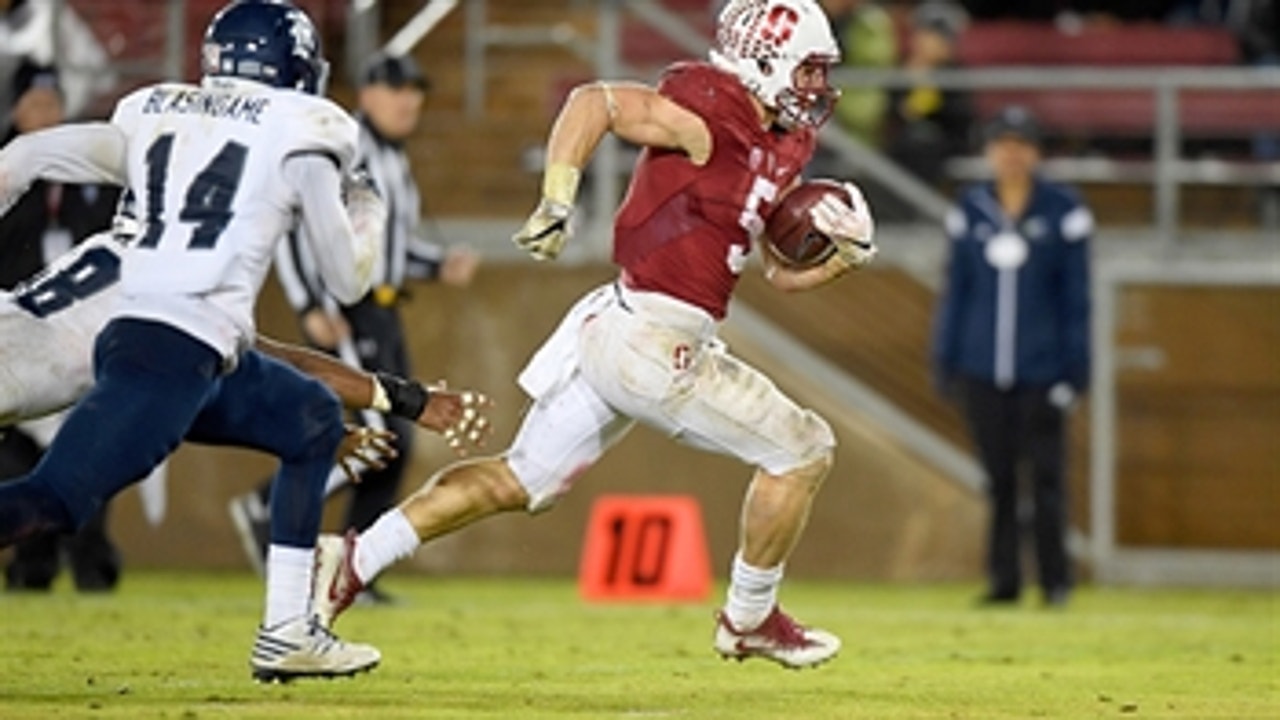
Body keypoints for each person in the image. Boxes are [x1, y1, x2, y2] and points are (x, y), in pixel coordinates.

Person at [311, 0, 878, 670]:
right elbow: (593, 103)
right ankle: (750, 615)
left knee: (519, 481)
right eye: (808, 68)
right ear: (762, 60)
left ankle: (353, 559)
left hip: (627, 328)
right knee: (804, 450)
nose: (816, 86)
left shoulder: (783, 142)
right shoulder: (707, 112)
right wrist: (557, 199)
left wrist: (840, 257)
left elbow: (779, 274)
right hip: (648, 341)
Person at [0, 0, 387, 681]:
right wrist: (367, 210)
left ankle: (287, 629)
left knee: (311, 418)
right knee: (51, 500)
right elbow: (348, 280)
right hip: (172, 349)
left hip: (167, 342)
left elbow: (28, 154)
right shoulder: (302, 130)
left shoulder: (159, 111)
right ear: (294, 67)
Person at [227, 52, 480, 599]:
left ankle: (356, 566)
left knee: (395, 443)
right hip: (351, 311)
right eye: (395, 88)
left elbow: (384, 249)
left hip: (384, 310)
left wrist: (438, 264)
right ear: (365, 94)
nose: (407, 100)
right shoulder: (348, 143)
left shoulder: (394, 158)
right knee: (380, 435)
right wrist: (308, 302)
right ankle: (266, 510)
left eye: (414, 89)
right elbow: (297, 224)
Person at [930, 105, 1091, 608]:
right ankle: (1004, 581)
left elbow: (1077, 298)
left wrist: (1075, 369)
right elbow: (955, 291)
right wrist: (946, 358)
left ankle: (1056, 580)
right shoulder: (971, 208)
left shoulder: (1064, 210)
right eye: (1003, 144)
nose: (1012, 155)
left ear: (1036, 152)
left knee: (1045, 479)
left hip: (1042, 371)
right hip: (981, 368)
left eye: (1022, 145)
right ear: (989, 152)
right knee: (997, 480)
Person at [0, 58, 124, 592]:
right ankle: (31, 566)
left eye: (54, 104)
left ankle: (92, 563)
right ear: (16, 107)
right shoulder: (8, 169)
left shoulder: (88, 170)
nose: (47, 114)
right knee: (17, 458)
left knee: (91, 452)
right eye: (36, 103)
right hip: (15, 327)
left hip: (78, 329)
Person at [885, 1, 973, 189]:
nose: (930, 43)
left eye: (939, 38)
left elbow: (960, 118)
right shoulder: (901, 70)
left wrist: (930, 88)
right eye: (925, 35)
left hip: (946, 145)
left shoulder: (956, 74)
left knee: (925, 138)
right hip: (903, 148)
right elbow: (896, 112)